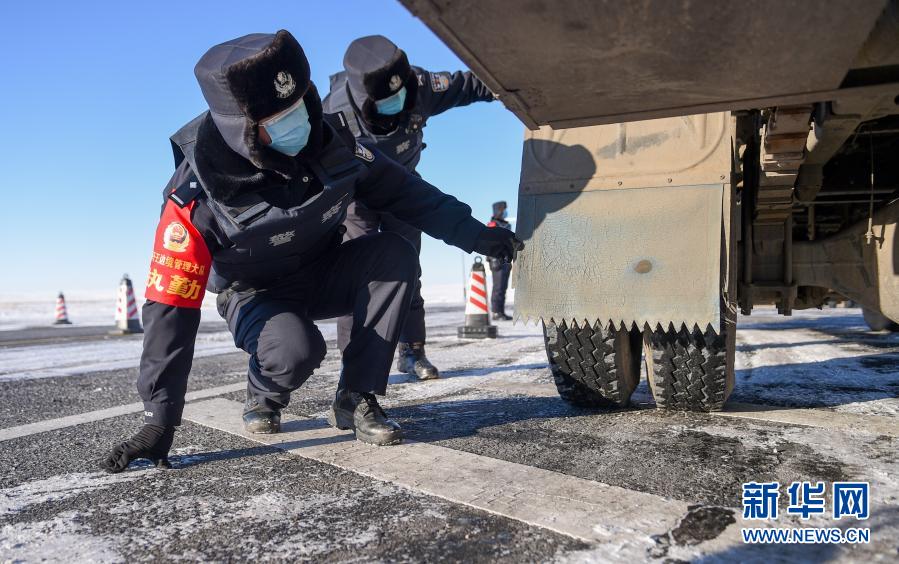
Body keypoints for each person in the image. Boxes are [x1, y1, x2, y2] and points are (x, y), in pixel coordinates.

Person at [100, 31, 521, 473]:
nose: (299, 122)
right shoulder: (195, 198)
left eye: (301, 105)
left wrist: (478, 236)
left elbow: (406, 193)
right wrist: (159, 420)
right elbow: (170, 308)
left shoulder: (332, 141)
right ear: (242, 130)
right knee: (295, 351)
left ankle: (356, 396)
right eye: (280, 118)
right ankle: (264, 392)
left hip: (322, 270)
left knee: (394, 254)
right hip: (256, 294)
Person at [322, 35, 495, 380]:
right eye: (388, 101)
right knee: (359, 279)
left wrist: (512, 88)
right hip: (358, 199)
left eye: (402, 94)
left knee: (409, 271)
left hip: (405, 192)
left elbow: (470, 85)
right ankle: (353, 364)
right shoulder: (334, 115)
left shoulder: (417, 85)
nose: (400, 102)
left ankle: (412, 351)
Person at [487, 201, 513, 321]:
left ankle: (501, 311)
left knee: (503, 288)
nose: (505, 213)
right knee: (498, 288)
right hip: (496, 260)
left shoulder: (505, 224)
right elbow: (489, 243)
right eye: (503, 210)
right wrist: (492, 258)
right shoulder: (493, 224)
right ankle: (496, 312)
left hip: (506, 260)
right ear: (498, 211)